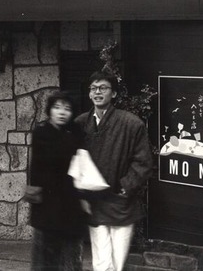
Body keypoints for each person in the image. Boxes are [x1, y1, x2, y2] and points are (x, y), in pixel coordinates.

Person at [74, 71, 152, 271]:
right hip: (95, 201)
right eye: (93, 88)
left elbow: (143, 162)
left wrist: (126, 187)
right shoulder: (80, 124)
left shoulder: (132, 124)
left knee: (118, 262)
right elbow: (74, 161)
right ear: (89, 94)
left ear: (114, 94)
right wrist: (81, 193)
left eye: (103, 88)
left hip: (121, 201)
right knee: (101, 261)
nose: (97, 92)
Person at [25, 91, 87, 271]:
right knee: (45, 257)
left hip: (71, 202)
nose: (62, 112)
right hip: (47, 203)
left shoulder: (75, 132)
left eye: (67, 109)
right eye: (57, 107)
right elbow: (41, 166)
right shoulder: (42, 132)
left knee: (70, 255)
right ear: (50, 110)